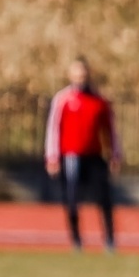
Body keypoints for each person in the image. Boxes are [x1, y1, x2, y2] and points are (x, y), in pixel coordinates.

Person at [45, 58, 120, 252]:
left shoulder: (99, 101)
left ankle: (110, 241)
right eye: (77, 73)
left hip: (94, 155)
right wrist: (52, 157)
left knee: (104, 198)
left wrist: (115, 154)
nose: (81, 77)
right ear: (71, 75)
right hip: (71, 156)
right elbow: (53, 129)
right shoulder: (63, 99)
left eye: (83, 73)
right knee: (71, 200)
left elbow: (110, 130)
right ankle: (77, 241)